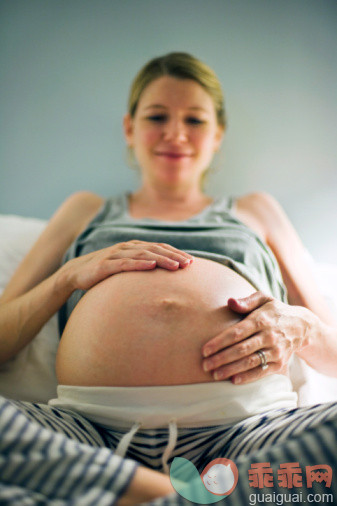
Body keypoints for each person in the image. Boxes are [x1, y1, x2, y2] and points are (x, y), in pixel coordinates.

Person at [0, 52, 336, 505]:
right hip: (86, 431)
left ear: (217, 135)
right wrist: (66, 278)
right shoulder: (85, 210)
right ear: (129, 128)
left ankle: (124, 495)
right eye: (156, 116)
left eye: (194, 120)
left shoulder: (256, 211)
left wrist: (302, 328)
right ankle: (189, 496)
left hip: (247, 428)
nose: (175, 134)